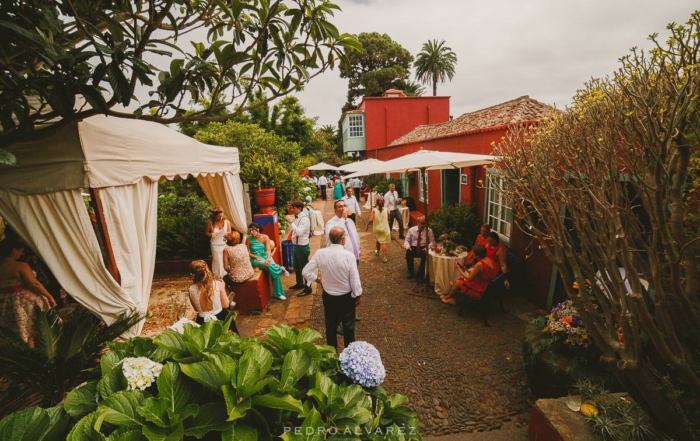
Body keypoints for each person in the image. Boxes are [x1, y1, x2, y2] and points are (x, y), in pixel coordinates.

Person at [302, 227, 363, 351]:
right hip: (346, 297)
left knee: (330, 326)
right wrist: (358, 294)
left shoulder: (320, 253)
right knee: (348, 326)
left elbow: (305, 271)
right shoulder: (349, 256)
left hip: (329, 295)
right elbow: (355, 280)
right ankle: (349, 355)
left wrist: (318, 280)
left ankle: (332, 355)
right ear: (343, 240)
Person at [0, 235, 57, 347]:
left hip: (4, 302)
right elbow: (34, 284)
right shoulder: (20, 266)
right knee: (30, 329)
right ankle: (33, 353)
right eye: (20, 250)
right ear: (13, 250)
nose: (21, 253)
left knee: (14, 330)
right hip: (23, 302)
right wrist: (49, 297)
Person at [188, 260, 239, 333]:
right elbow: (226, 304)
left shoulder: (191, 289)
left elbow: (196, 309)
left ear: (192, 275)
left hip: (202, 321)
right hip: (220, 317)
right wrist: (223, 287)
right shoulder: (217, 284)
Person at [246, 222, 288, 300]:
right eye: (250, 231)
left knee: (273, 272)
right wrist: (255, 256)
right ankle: (280, 268)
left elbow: (268, 250)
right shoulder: (249, 239)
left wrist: (268, 258)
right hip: (255, 259)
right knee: (266, 265)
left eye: (252, 230)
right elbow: (246, 252)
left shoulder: (265, 237)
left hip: (266, 256)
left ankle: (278, 294)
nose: (251, 232)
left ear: (257, 229)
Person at [325, 200, 361, 267]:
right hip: (341, 260)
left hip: (354, 258)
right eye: (340, 206)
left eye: (345, 206)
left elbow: (355, 237)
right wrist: (343, 218)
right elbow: (334, 235)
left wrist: (358, 251)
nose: (344, 208)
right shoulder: (330, 223)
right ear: (335, 211)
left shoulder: (350, 221)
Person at [288, 200, 313, 296]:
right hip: (296, 245)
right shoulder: (297, 217)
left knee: (304, 268)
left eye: (293, 208)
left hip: (302, 246)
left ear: (299, 208)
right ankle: (299, 283)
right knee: (296, 265)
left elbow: (299, 232)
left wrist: (291, 223)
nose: (291, 209)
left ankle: (308, 287)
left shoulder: (304, 219)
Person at [403, 217, 435, 282]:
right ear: (418, 222)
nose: (424, 225)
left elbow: (432, 241)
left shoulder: (429, 230)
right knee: (408, 253)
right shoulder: (411, 230)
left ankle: (421, 274)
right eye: (422, 223)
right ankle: (411, 272)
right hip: (413, 247)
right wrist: (407, 246)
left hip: (423, 247)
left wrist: (427, 247)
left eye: (425, 223)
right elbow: (407, 240)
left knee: (425, 255)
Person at [205, 206, 232, 279]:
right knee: (218, 261)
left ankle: (227, 277)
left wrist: (227, 234)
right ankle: (218, 277)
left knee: (226, 260)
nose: (220, 218)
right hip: (215, 244)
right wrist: (210, 234)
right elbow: (206, 232)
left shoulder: (227, 221)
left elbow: (229, 231)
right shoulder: (210, 222)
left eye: (221, 216)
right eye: (218, 217)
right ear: (214, 216)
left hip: (225, 244)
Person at [364, 196, 391, 263]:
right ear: (383, 202)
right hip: (385, 228)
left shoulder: (374, 210)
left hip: (377, 228)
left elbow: (370, 219)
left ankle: (378, 251)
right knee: (384, 242)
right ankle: (384, 257)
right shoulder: (386, 209)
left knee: (378, 239)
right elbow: (389, 218)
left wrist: (367, 225)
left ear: (376, 202)